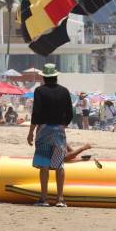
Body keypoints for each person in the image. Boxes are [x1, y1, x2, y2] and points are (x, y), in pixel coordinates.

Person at [27, 64, 73, 207]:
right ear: (56, 76)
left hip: (44, 130)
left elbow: (36, 113)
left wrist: (31, 132)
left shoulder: (39, 91)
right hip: (59, 130)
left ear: (44, 77)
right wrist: (62, 125)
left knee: (44, 165)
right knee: (59, 165)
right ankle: (60, 199)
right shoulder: (64, 91)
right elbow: (70, 114)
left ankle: (44, 199)